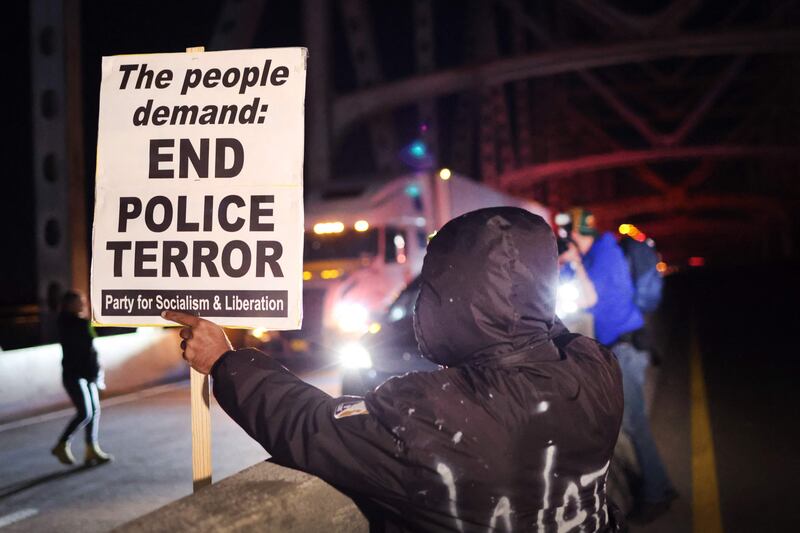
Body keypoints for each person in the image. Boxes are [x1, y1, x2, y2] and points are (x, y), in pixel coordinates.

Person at [166, 207, 624, 531]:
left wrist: (225, 361)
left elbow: (309, 425)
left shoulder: (434, 413)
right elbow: (537, 322)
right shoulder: (597, 369)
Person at [558, 208, 676, 522]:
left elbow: (587, 299)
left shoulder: (605, 253)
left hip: (626, 348)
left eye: (567, 235)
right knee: (629, 424)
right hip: (616, 350)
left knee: (635, 425)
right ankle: (660, 485)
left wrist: (573, 262)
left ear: (574, 234)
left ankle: (657, 493)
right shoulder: (591, 257)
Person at [51, 290, 113, 466]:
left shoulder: (72, 322)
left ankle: (91, 448)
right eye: (80, 302)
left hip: (87, 373)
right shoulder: (75, 323)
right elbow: (94, 338)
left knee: (94, 411)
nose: (83, 305)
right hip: (75, 374)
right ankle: (62, 443)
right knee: (86, 412)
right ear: (70, 304)